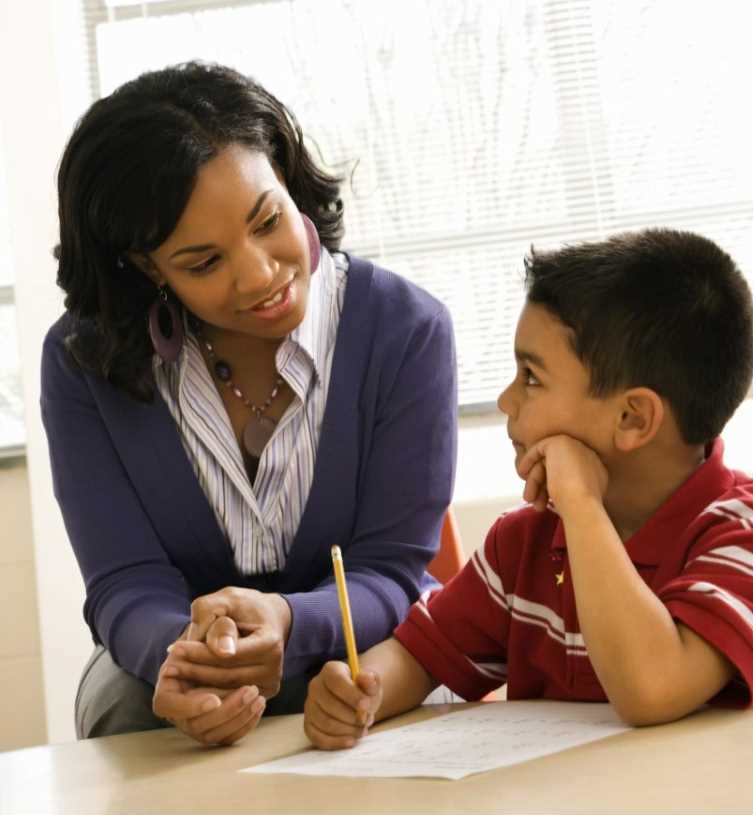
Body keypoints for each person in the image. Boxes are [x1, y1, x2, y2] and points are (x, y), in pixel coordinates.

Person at [42, 61, 457, 746]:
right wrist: (188, 652)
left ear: (288, 179)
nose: (261, 275)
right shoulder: (82, 361)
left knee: (423, 683)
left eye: (269, 220)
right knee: (124, 707)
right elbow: (124, 580)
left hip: (365, 639)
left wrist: (290, 620)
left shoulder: (405, 330)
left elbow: (391, 570)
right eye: (203, 262)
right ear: (147, 266)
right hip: (176, 656)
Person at [303, 228, 753, 749]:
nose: (505, 400)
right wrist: (364, 692)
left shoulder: (752, 541)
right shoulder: (522, 546)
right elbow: (419, 654)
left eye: (531, 378)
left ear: (632, 418)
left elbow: (651, 688)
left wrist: (583, 505)